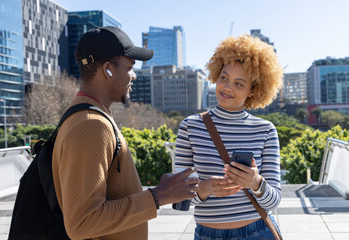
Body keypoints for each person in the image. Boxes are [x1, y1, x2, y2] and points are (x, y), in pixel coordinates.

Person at [52, 26, 199, 240]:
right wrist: (158, 196)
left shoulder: (89, 117)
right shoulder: (90, 125)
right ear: (108, 69)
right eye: (130, 67)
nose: (134, 75)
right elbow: (82, 222)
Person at [174, 34, 283, 239]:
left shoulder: (266, 130)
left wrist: (256, 183)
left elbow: (274, 201)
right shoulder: (190, 126)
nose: (227, 87)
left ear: (253, 90)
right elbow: (180, 199)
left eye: (239, 84)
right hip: (207, 235)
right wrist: (205, 188)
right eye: (224, 78)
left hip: (257, 233)